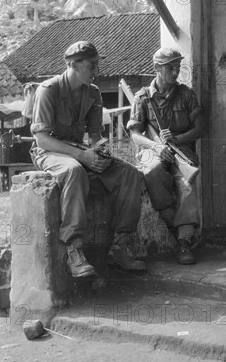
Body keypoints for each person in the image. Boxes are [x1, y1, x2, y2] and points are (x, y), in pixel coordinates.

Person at [30, 41, 146, 278]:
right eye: (91, 66)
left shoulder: (92, 92)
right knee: (74, 171)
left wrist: (100, 153)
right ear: (72, 65)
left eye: (96, 65)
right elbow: (42, 139)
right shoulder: (48, 90)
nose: (96, 71)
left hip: (79, 149)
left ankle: (120, 246)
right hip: (51, 152)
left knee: (129, 174)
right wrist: (83, 156)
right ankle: (74, 250)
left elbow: (95, 136)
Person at [127, 47, 204, 265]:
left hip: (181, 150)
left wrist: (177, 139)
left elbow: (200, 129)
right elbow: (134, 134)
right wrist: (156, 146)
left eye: (178, 67)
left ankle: (184, 242)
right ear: (156, 69)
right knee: (153, 172)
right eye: (170, 67)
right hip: (153, 150)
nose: (175, 72)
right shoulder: (142, 97)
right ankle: (177, 228)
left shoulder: (187, 95)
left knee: (186, 182)